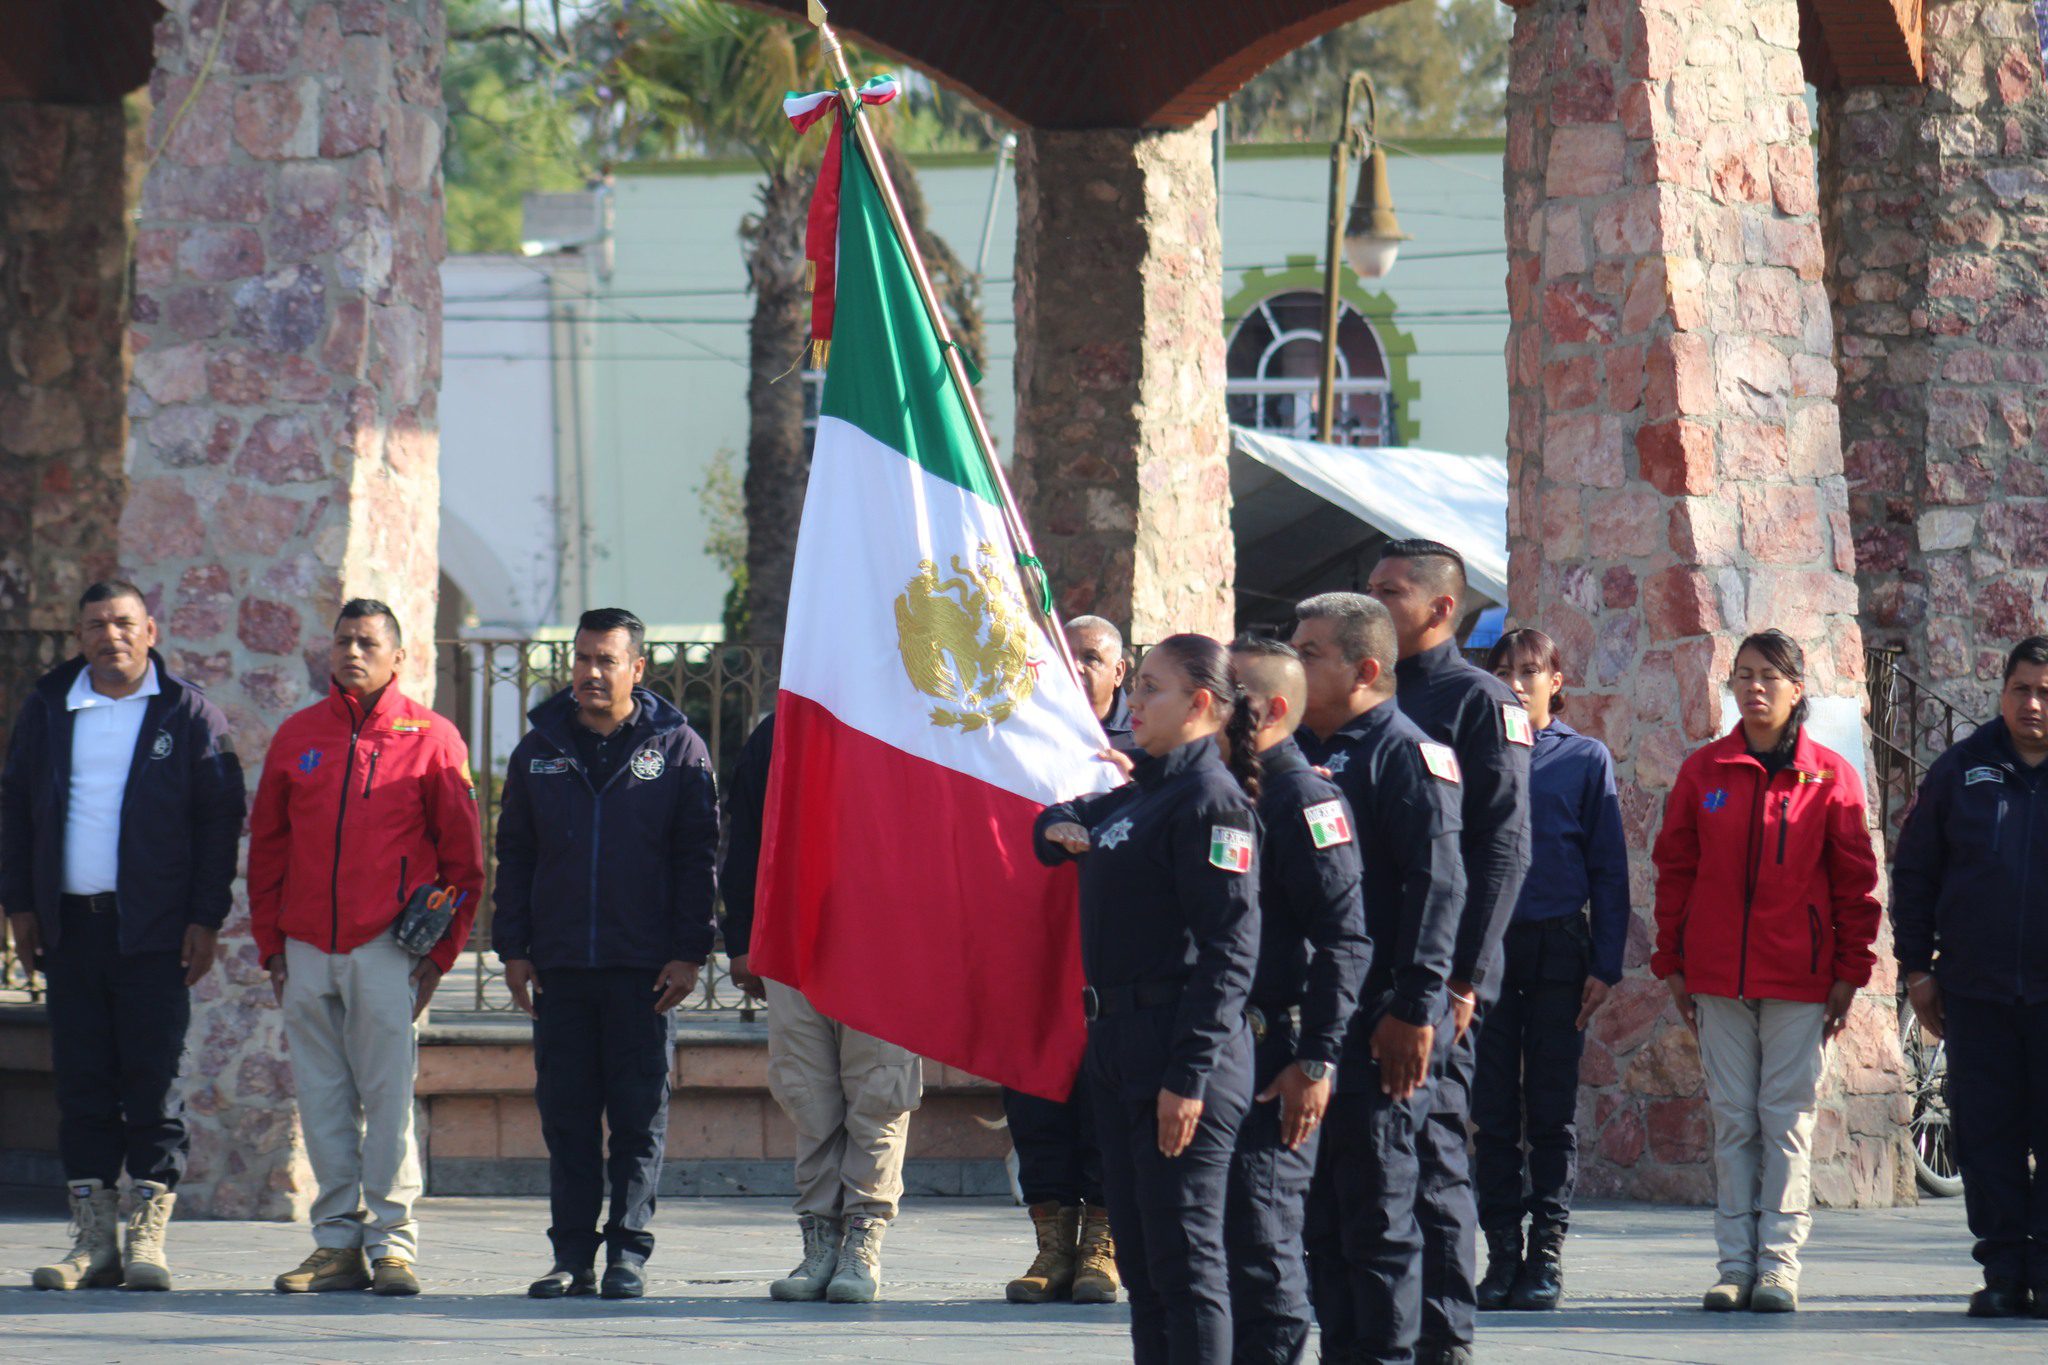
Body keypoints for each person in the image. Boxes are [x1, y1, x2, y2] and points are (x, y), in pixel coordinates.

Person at [3, 581, 245, 1292]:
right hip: (70, 927)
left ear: (151, 630)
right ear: (78, 635)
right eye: (96, 624)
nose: (111, 634)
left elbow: (218, 821)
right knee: (80, 1084)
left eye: (123, 622)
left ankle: (147, 1235)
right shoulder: (51, 707)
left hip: (155, 932)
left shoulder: (189, 713)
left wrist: (205, 915)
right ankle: (91, 1238)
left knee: (153, 1083)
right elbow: (15, 806)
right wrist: (19, 902)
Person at [1034, 633, 1261, 1363]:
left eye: (1152, 688)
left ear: (1201, 703)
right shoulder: (1144, 794)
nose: (1134, 699)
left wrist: (1188, 1075)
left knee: (1186, 1261)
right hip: (1118, 1044)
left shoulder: (1210, 801)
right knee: (1143, 1265)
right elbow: (1052, 823)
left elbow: (1230, 950)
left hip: (1177, 1048)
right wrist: (1059, 828)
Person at [249, 599, 485, 1297]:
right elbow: (267, 849)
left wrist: (437, 959)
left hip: (387, 948)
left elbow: (464, 866)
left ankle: (393, 1246)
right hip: (306, 947)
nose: (353, 651)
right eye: (344, 640)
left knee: (387, 1101)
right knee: (321, 1100)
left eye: (368, 642)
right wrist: (272, 946)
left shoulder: (434, 739)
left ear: (397, 657)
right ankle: (335, 1246)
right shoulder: (298, 736)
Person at [492, 608, 719, 1301]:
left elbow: (697, 859)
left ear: (636, 669)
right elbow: (517, 855)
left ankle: (627, 1253)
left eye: (606, 660)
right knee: (565, 1117)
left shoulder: (678, 749)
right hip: (561, 965)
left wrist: (689, 953)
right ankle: (571, 1256)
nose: (591, 672)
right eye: (583, 658)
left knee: (636, 1117)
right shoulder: (539, 748)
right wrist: (514, 949)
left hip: (643, 970)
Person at [1651, 628, 1880, 1314]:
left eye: (1768, 677)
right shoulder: (1704, 771)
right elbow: (1675, 871)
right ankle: (1733, 1266)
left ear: (1796, 687)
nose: (1753, 688)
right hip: (1718, 977)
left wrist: (1850, 969)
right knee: (1733, 1120)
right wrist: (1672, 958)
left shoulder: (1829, 777)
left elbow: (1854, 883)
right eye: (1743, 675)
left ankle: (1778, 1265)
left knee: (1785, 1120)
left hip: (1801, 981)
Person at [1367, 541, 1532, 1365]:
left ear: (1440, 608)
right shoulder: (1369, 697)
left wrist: (1464, 976)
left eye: (1389, 592)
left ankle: (1443, 1340)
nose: (1374, 602)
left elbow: (1502, 850)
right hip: (1369, 977)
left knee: (1431, 1164)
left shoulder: (1479, 701)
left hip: (1438, 984)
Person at [1292, 593, 1466, 1364]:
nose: (1294, 665)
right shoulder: (1294, 750)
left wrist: (1415, 1005)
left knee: (1382, 1217)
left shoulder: (1407, 753)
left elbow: (1439, 887)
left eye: (1309, 653)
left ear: (1364, 669)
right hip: (1317, 1022)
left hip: (1381, 1025)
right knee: (1321, 1218)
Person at [721, 711, 923, 1305]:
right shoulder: (779, 728)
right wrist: (740, 940)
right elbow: (746, 837)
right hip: (795, 938)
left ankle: (863, 1240)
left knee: (878, 1090)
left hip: (885, 942)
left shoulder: (909, 723)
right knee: (807, 1092)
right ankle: (818, 1242)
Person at [1223, 636, 1371, 1364]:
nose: (1210, 707)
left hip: (1273, 1052)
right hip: (1217, 1053)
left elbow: (1344, 939)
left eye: (1231, 695)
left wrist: (1316, 1058)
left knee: (1261, 1243)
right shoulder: (1220, 791)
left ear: (1273, 710)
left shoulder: (1302, 797)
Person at [1473, 629, 1629, 1311]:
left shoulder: (1585, 759)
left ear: (1556, 681)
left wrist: (1606, 961)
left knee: (1551, 1107)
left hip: (1560, 946)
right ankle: (1502, 1251)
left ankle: (1546, 1253)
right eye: (1503, 670)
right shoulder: (1471, 755)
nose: (1516, 680)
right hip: (1489, 950)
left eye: (1530, 670)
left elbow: (1609, 867)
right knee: (1491, 1107)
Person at [1892, 635, 2048, 1319]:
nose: (2033, 703)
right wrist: (1915, 970)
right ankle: (2005, 1271)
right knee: (1987, 1138)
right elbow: (1916, 872)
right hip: (1977, 995)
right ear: (2002, 691)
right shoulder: (1961, 769)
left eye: (2045, 691)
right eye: (2022, 688)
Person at [1002, 613, 1128, 1306]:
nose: (1078, 668)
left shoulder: (1145, 747)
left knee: (1104, 1100)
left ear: (1121, 672)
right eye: (1066, 655)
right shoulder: (1015, 741)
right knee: (1036, 1097)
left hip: (1114, 957)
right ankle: (1052, 1243)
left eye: (1093, 656)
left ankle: (1102, 1246)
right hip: (1031, 953)